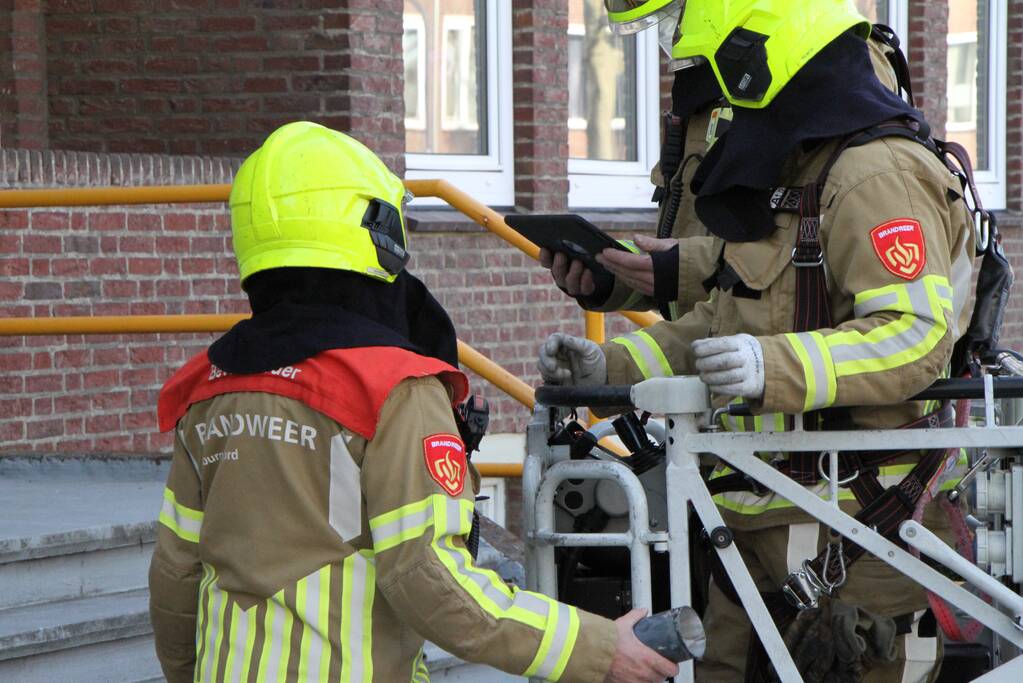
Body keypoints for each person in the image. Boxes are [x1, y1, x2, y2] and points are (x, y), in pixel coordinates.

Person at [148, 121, 678, 683]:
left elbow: (176, 574)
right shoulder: (394, 389)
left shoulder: (208, 388)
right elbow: (432, 581)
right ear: (379, 232)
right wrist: (595, 647)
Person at [539, 1, 976, 680]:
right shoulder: (786, 179)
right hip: (744, 533)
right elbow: (725, 325)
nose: (685, 65)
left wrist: (769, 366)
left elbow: (912, 336)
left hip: (860, 537)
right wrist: (610, 364)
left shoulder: (876, 173)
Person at [543, 0, 910, 330]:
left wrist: (684, 269)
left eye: (681, 12)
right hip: (712, 372)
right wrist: (612, 276)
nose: (680, 32)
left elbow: (813, 240)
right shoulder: (711, 85)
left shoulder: (831, 60)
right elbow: (694, 247)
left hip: (786, 376)